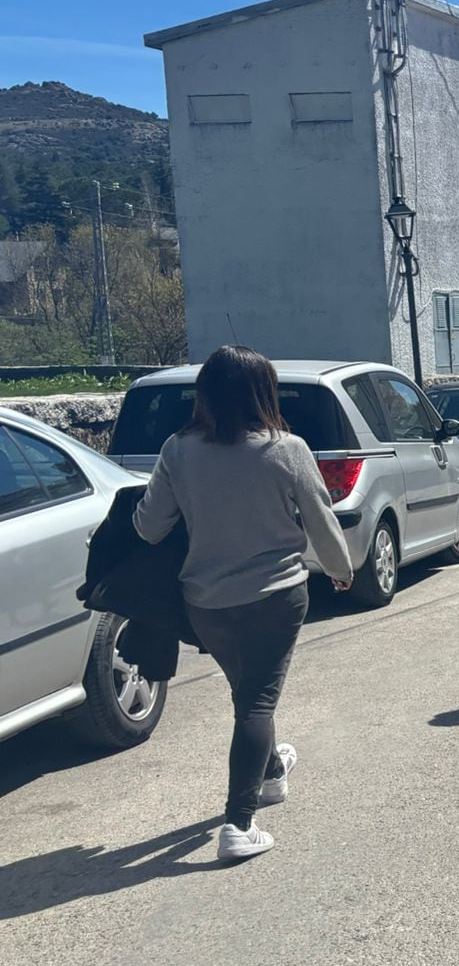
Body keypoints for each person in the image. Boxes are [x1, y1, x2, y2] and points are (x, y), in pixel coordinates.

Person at [132, 345, 353, 862]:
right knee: (256, 702)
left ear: (204, 394)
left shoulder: (178, 450)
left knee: (249, 692)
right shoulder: (287, 448)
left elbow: (148, 526)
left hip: (205, 602)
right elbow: (320, 519)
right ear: (263, 393)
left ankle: (272, 771)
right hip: (275, 596)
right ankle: (239, 822)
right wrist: (341, 571)